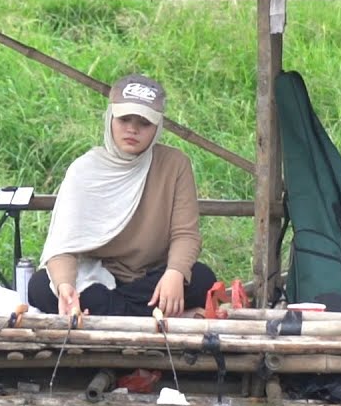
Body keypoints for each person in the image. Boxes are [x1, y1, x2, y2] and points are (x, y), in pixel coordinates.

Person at [28, 73, 217, 318]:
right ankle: (161, 315)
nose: (132, 129)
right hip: (96, 275)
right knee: (40, 288)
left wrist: (174, 274)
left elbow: (185, 234)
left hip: (150, 277)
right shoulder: (84, 169)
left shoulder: (175, 165)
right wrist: (66, 288)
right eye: (124, 119)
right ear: (110, 118)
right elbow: (63, 245)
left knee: (202, 279)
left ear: (157, 127)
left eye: (144, 123)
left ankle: (109, 314)